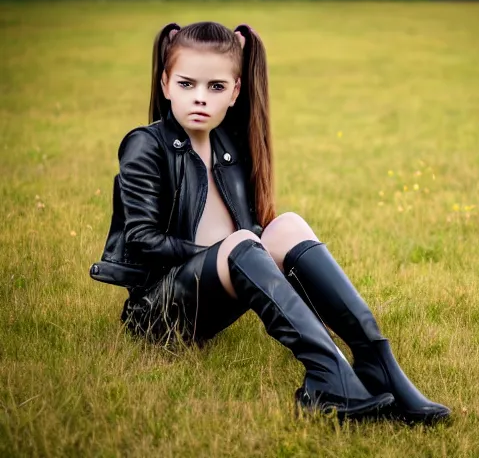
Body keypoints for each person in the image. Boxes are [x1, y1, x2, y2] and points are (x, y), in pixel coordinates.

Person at [90, 21, 451, 426]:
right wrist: (227, 252)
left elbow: (252, 239)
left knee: (288, 225)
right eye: (187, 84)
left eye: (215, 87)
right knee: (246, 241)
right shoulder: (146, 144)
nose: (200, 99)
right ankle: (328, 377)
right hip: (157, 313)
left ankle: (376, 363)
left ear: (236, 91)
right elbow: (141, 241)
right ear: (165, 83)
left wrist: (248, 250)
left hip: (212, 296)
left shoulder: (230, 145)